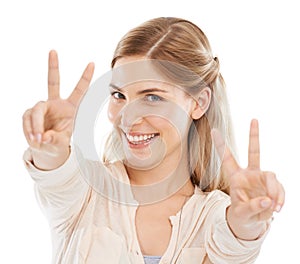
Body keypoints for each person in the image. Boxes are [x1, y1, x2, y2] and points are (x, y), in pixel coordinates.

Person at [22, 17, 284, 264]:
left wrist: (248, 221)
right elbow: (56, 178)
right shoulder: (86, 192)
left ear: (199, 103)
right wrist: (50, 148)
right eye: (119, 95)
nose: (127, 117)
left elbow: (234, 243)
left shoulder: (216, 216)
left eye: (152, 97)